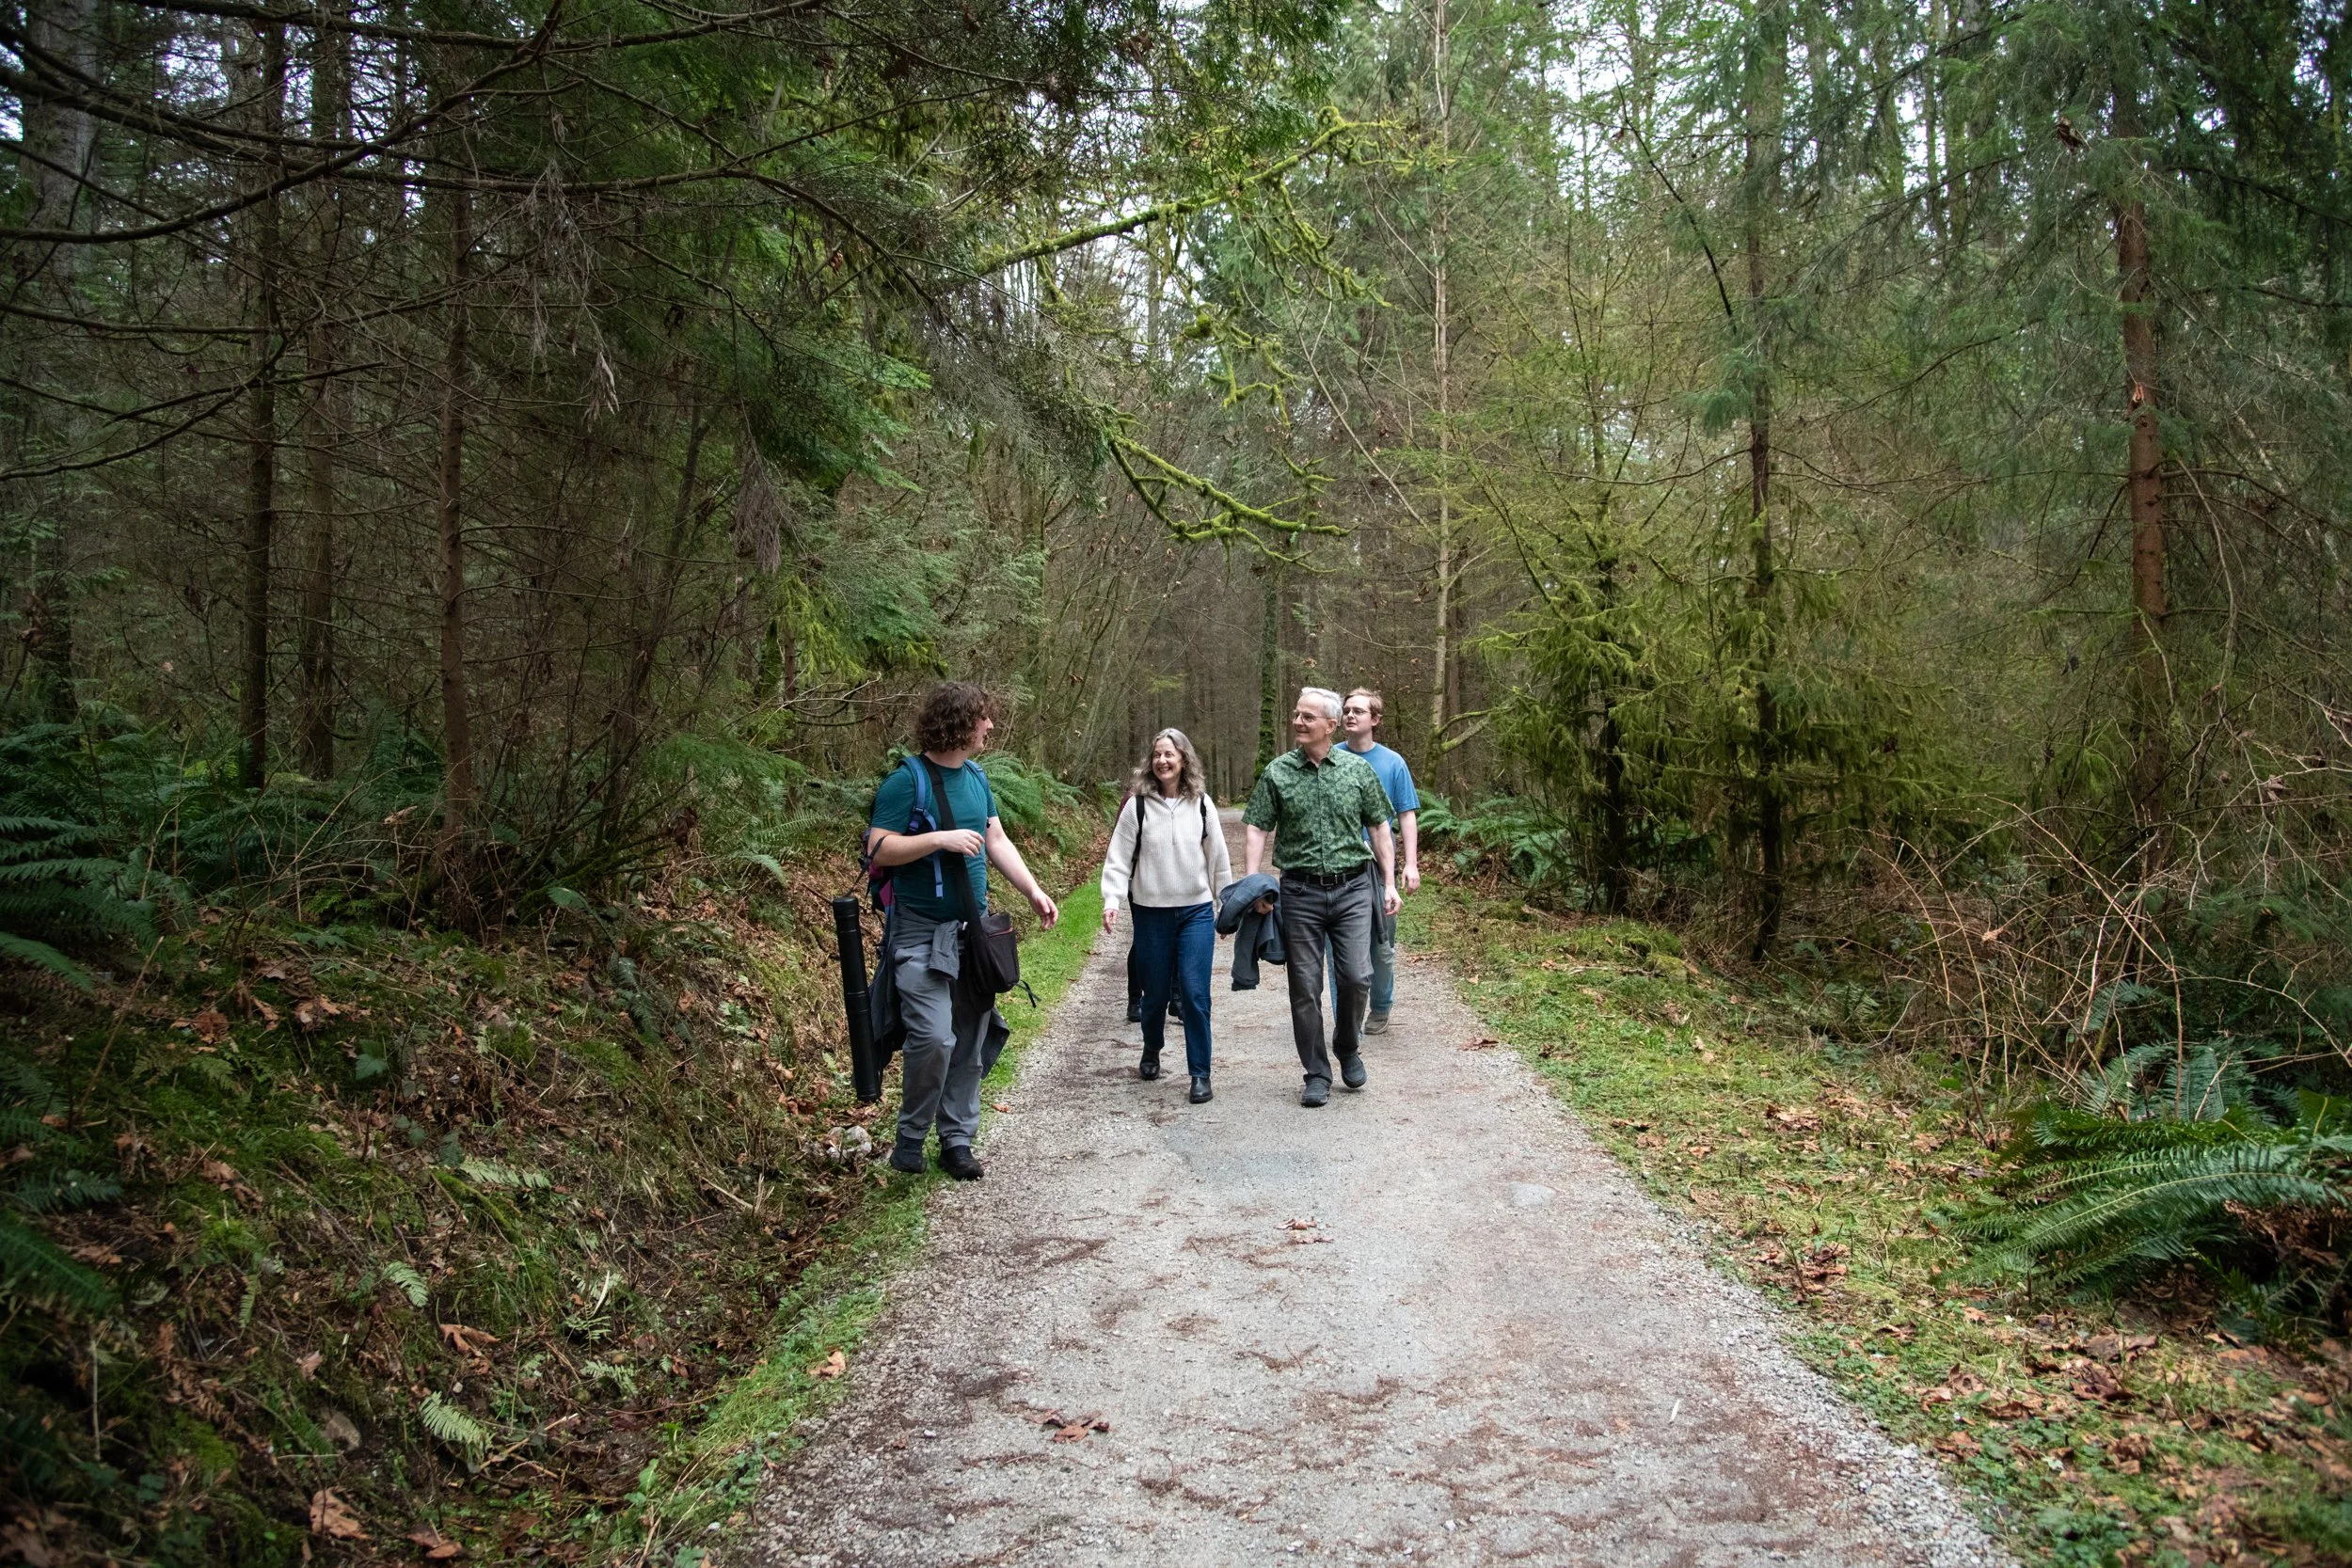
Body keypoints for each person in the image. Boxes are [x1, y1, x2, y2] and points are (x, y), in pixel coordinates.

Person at [865, 683, 1059, 1180]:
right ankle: (910, 1137)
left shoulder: (976, 777)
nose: (990, 727)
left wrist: (1033, 891)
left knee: (969, 1040)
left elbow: (996, 837)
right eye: (983, 719)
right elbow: (879, 848)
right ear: (957, 723)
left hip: (971, 932)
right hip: (917, 933)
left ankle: (957, 1139)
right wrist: (937, 840)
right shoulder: (906, 782)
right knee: (933, 1037)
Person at [1242, 688, 1400, 1107]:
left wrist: (1389, 882)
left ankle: (1347, 1046)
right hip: (1299, 892)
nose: (1298, 721)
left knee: (1356, 976)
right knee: (1305, 987)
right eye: (1296, 714)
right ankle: (1316, 1073)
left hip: (1352, 889)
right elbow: (1257, 826)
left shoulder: (1356, 771)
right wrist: (1253, 883)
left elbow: (1381, 827)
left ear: (1330, 726)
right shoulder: (1278, 772)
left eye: (1308, 717)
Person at [1101, 728, 1233, 1104]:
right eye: (1157, 754)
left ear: (1184, 760)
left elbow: (1218, 861)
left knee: (1194, 993)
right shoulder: (1137, 806)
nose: (1162, 760)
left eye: (1169, 754)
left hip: (1195, 912)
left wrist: (1226, 906)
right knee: (1155, 994)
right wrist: (1112, 900)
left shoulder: (1202, 804)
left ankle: (1200, 1074)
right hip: (1150, 913)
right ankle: (1152, 1048)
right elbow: (1118, 860)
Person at [1338, 687, 1420, 1034]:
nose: (1350, 715)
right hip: (1340, 865)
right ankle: (1346, 1014)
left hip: (1377, 865)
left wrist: (1409, 864)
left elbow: (1406, 815)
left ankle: (1381, 1005)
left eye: (1358, 711)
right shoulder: (1331, 757)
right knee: (1337, 947)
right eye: (1346, 710)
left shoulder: (1392, 762)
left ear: (1375, 720)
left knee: (1381, 945)